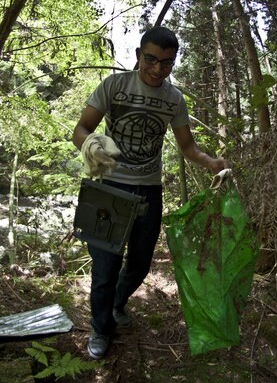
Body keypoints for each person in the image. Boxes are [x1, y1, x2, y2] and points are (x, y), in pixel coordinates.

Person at [72, 26, 228, 359]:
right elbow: (81, 128)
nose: (157, 69)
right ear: (138, 55)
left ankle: (116, 303)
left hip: (149, 191)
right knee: (105, 266)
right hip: (112, 187)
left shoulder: (173, 98)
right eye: (150, 60)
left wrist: (211, 162)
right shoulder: (115, 85)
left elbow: (187, 147)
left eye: (166, 63)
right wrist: (92, 147)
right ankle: (101, 328)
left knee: (140, 264)